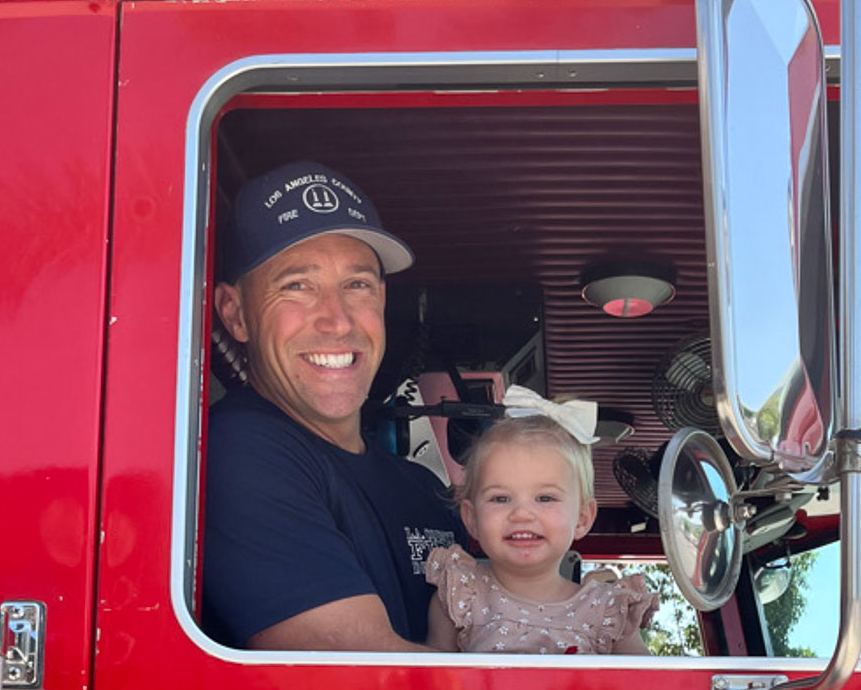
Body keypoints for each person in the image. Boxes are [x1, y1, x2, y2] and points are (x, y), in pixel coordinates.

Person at [201, 161, 463, 652]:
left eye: (357, 285)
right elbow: (362, 679)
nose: (337, 321)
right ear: (235, 314)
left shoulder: (423, 488)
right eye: (298, 286)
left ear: (382, 299)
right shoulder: (238, 453)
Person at [424, 390, 655, 655]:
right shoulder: (459, 596)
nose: (522, 514)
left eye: (545, 497)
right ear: (471, 518)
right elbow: (431, 685)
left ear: (582, 519)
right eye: (500, 498)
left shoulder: (609, 612)